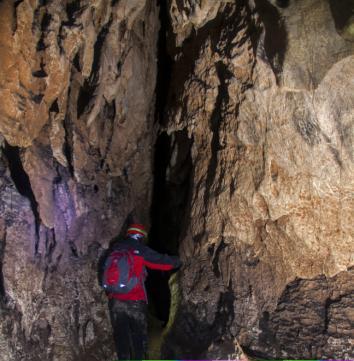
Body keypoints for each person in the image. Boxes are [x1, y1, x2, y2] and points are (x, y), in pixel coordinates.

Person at [105, 223, 181, 360]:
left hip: (115, 301)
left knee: (121, 337)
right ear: (140, 236)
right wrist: (177, 261)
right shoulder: (139, 250)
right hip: (134, 301)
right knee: (138, 338)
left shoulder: (115, 248)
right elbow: (161, 262)